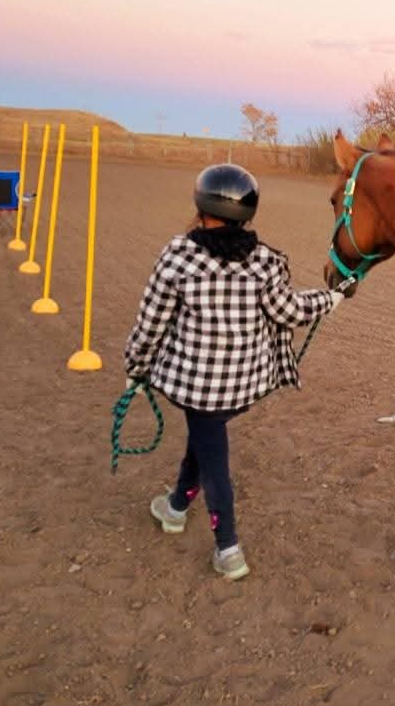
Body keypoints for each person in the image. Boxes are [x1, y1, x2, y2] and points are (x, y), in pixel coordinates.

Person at [124, 163, 345, 580]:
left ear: (202, 205)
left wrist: (135, 370)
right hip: (243, 386)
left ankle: (228, 549)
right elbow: (290, 311)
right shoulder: (264, 261)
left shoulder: (178, 257)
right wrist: (330, 300)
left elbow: (150, 324)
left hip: (196, 387)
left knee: (214, 461)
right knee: (204, 443)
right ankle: (174, 508)